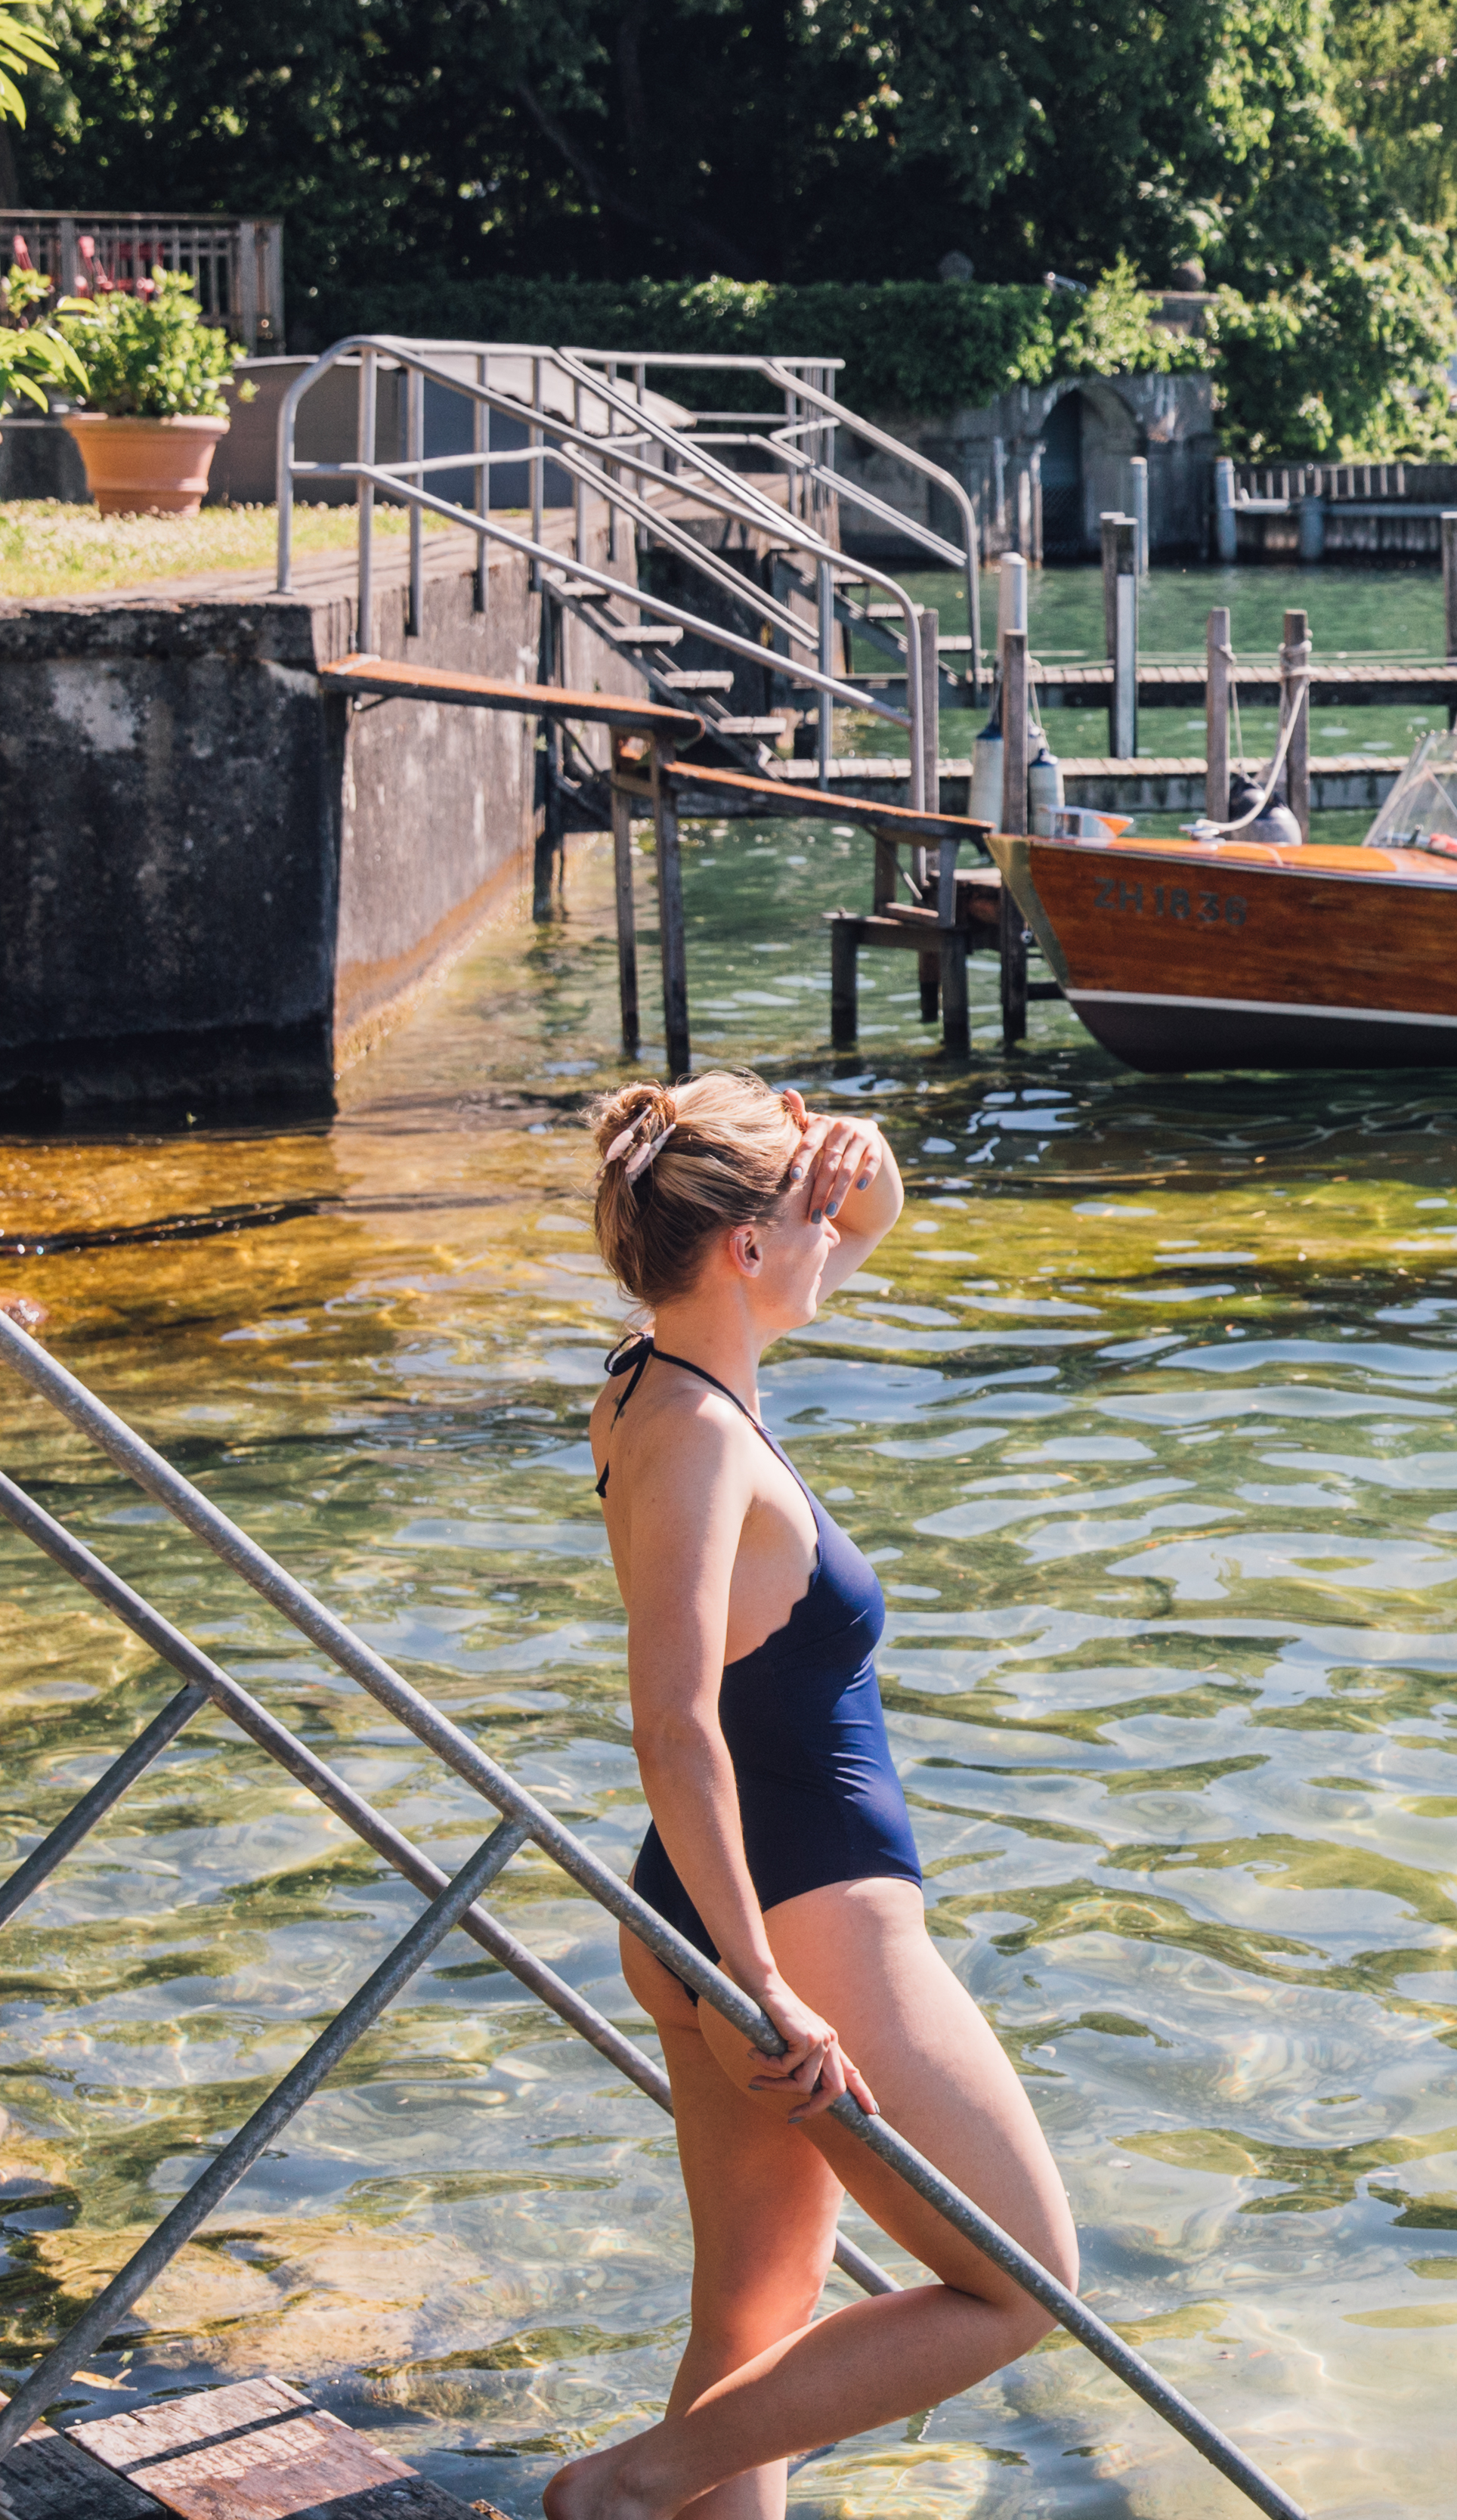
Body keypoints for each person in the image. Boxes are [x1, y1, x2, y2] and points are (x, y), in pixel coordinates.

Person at [548, 1074, 1073, 2520]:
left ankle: (650, 2491)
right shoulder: (708, 1437)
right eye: (809, 1215)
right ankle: (621, 2488)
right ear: (745, 1251)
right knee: (1021, 2282)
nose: (838, 1234)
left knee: (752, 2327)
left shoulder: (648, 1379)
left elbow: (857, 1230)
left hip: (697, 1908)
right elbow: (673, 1720)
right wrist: (765, 1979)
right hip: (794, 1915)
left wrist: (864, 1159)